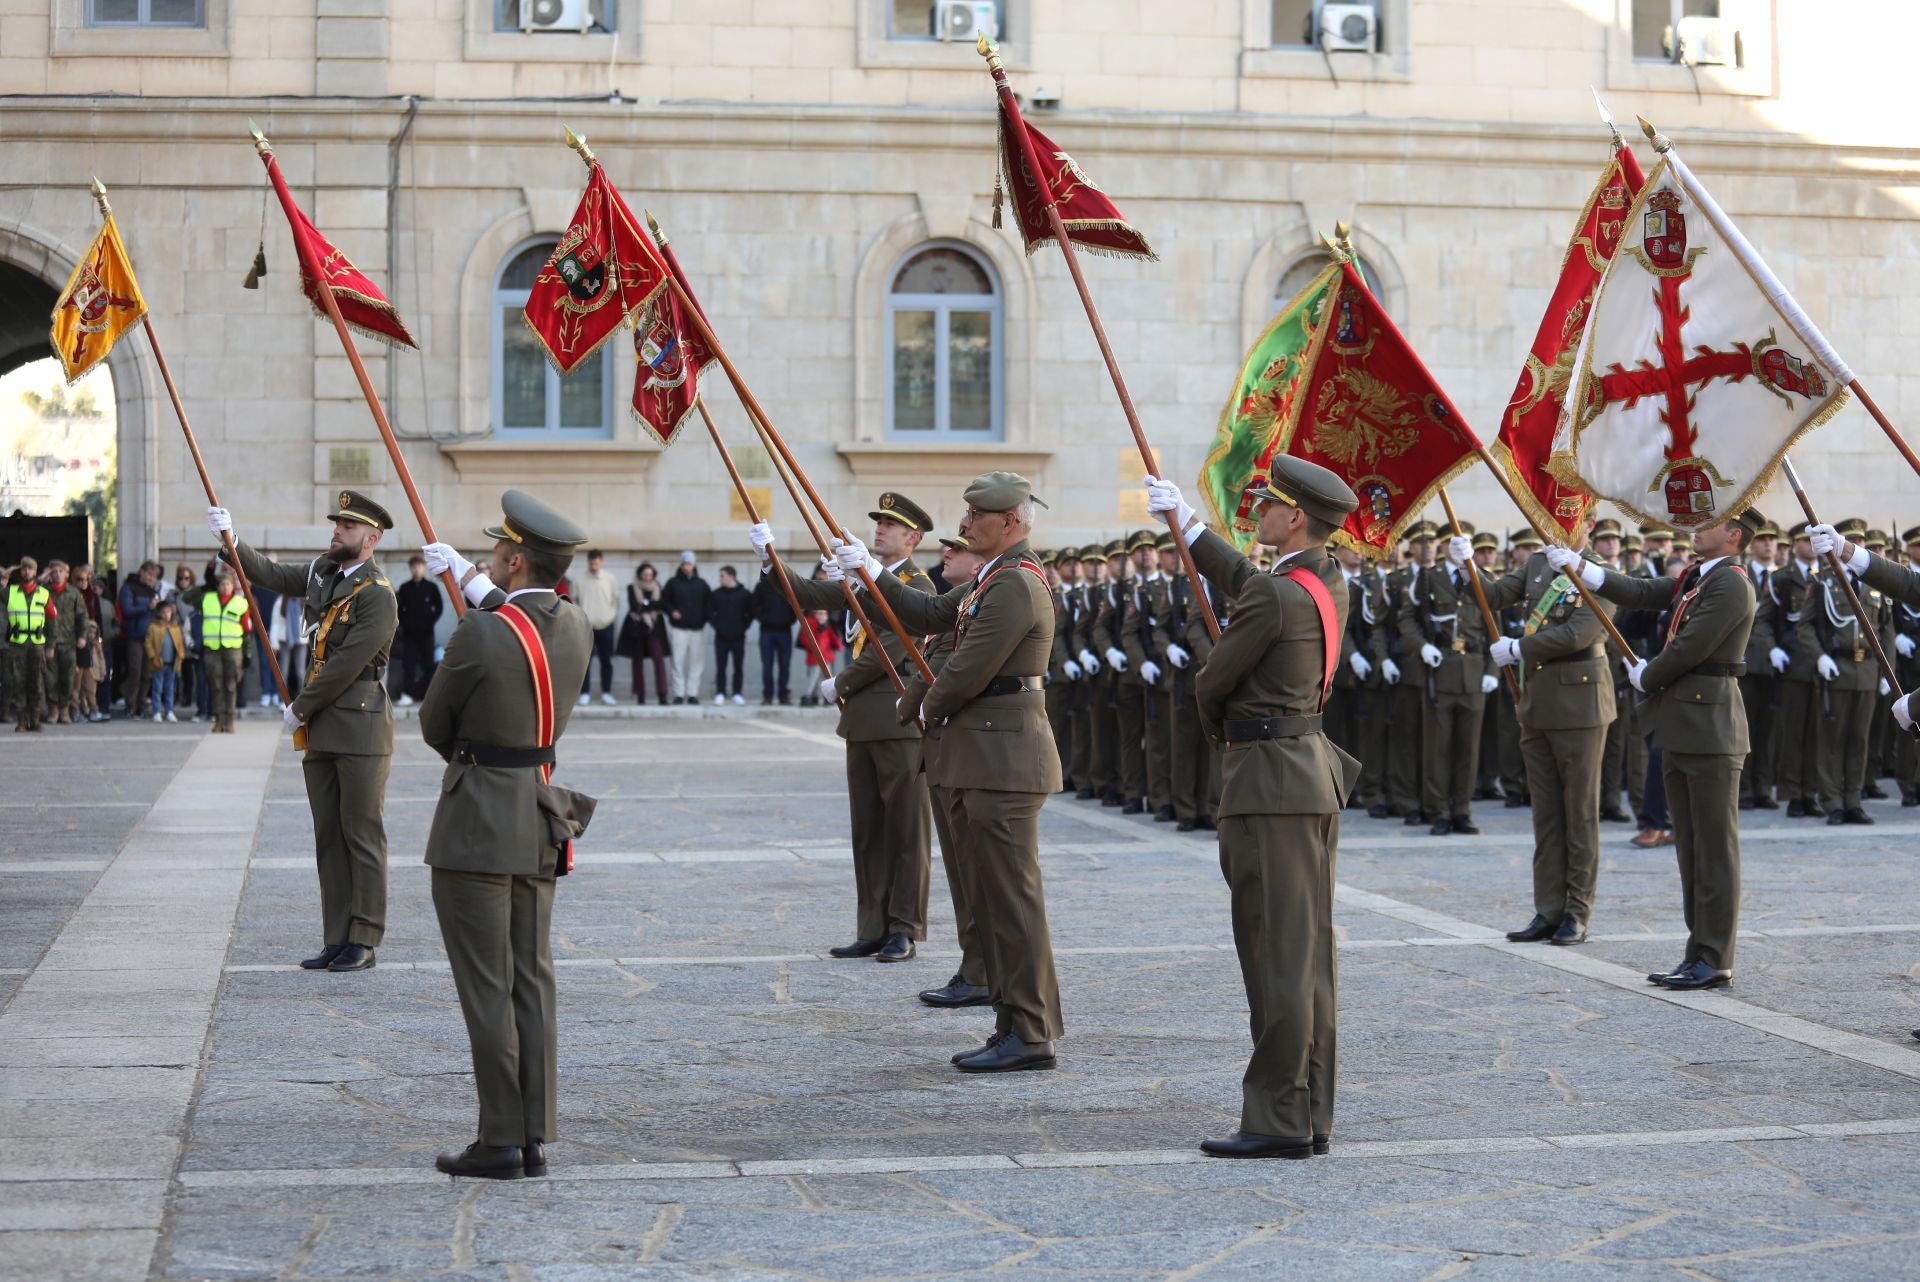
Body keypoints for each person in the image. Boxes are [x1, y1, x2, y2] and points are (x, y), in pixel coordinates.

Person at [1145, 460, 1358, 1160]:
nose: (1258, 510)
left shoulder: (1275, 595)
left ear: (1295, 518)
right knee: (1308, 958)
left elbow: (1212, 683)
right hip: (1309, 775)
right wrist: (1192, 529)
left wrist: (1218, 718)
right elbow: (1256, 586)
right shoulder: (1325, 578)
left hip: (1268, 783)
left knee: (1274, 957)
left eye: (1268, 504)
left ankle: (1276, 1117)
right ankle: (1310, 1106)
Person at [819, 472, 1062, 1072]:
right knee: (993, 897)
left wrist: (916, 706)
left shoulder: (1013, 584)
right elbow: (928, 612)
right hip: (983, 754)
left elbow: (966, 670)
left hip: (1002, 758)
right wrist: (872, 574)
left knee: (1011, 899)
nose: (962, 524)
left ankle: (1030, 1030)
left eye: (975, 515)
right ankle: (1013, 1020)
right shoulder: (990, 578)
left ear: (1010, 522)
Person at [418, 491, 593, 1181]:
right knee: (532, 979)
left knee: (487, 984)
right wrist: (483, 592)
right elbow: (526, 628)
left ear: (515, 560)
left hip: (478, 823)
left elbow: (436, 723)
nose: (491, 557)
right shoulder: (575, 624)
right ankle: (535, 1136)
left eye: (498, 551)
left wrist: (478, 599)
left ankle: (499, 1140)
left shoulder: (480, 631)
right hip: (540, 811)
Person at [1546, 508, 1763, 991]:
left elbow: (1692, 646)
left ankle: (1716, 956)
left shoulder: (1730, 583)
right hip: (1683, 722)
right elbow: (1645, 591)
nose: (1695, 527)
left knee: (1714, 848)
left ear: (1734, 534)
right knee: (1689, 847)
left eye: (1712, 522)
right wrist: (1584, 568)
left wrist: (1649, 673)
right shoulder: (1698, 576)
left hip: (1711, 726)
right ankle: (1698, 951)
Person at [210, 491, 399, 973]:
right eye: (337, 523)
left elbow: (345, 665)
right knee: (328, 837)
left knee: (361, 834)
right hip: (322, 728)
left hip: (360, 726)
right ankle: (336, 936)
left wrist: (300, 706)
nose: (337, 530)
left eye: (348, 527)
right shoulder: (322, 571)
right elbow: (272, 576)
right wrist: (233, 541)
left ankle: (364, 937)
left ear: (371, 539)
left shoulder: (378, 595)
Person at [754, 492, 936, 962]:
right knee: (869, 830)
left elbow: (895, 644)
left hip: (898, 719)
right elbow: (808, 595)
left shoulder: (918, 587)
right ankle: (872, 925)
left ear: (912, 538)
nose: (879, 529)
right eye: (877, 522)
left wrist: (842, 681)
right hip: (860, 722)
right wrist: (770, 559)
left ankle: (904, 928)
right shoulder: (862, 580)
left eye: (891, 525)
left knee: (906, 830)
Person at [1458, 518, 1616, 947]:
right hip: (1536, 701)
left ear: (1589, 526)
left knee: (1579, 812)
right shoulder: (1536, 566)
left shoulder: (1601, 572)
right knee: (1546, 814)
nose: (1560, 530)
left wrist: (1518, 648)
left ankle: (1577, 911)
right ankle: (1548, 908)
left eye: (1572, 522)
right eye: (1554, 520)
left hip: (1581, 704)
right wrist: (1467, 563)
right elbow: (1492, 596)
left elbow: (1579, 632)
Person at [899, 532, 991, 1009]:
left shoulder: (996, 593)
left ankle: (983, 970)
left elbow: (959, 671)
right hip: (944, 744)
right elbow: (926, 622)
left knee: (977, 872)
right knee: (961, 869)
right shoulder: (963, 600)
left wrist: (924, 705)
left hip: (970, 747)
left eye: (959, 547)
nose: (948, 554)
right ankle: (974, 966)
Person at [1416, 526, 1498, 834]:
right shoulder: (1428, 577)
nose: (1457, 548)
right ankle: (1438, 811)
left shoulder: (1482, 580)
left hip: (1475, 674)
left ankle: (1461, 810)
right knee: (1438, 749)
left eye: (1463, 543)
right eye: (1452, 543)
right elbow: (1408, 620)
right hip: (1441, 671)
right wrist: (1422, 646)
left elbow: (1494, 629)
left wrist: (1492, 672)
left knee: (1468, 748)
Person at [198, 565, 252, 733]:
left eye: (228, 584)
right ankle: (217, 720)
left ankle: (230, 720)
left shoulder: (241, 603)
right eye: (221, 584)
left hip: (233, 649)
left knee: (230, 685)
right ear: (217, 586)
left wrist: (247, 653)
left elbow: (247, 631)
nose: (225, 587)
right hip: (212, 649)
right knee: (216, 685)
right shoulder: (207, 599)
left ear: (232, 586)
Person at [7, 557, 53, 731]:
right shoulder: (10, 592)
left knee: (36, 683)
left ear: (35, 572)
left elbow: (52, 619)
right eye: (24, 569)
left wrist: (51, 645)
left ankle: (34, 720)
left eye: (31, 569)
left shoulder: (43, 593)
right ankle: (21, 721)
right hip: (17, 644)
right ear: (20, 571)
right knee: (18, 683)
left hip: (36, 644)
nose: (27, 572)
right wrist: (6, 572)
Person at [394, 554, 445, 707]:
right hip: (410, 635)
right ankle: (408, 694)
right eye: (414, 566)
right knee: (408, 665)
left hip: (427, 634)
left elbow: (439, 607)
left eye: (419, 566)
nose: (417, 569)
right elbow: (398, 609)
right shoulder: (405, 588)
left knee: (429, 665)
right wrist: (404, 624)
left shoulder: (431, 587)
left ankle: (429, 694)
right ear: (410, 568)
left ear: (424, 568)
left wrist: (429, 622)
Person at [571, 549, 619, 707]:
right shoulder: (579, 579)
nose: (594, 565)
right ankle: (584, 693)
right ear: (588, 562)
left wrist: (610, 616)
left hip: (606, 625)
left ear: (601, 562)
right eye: (591, 562)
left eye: (597, 562)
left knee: (607, 661)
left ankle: (606, 692)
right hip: (586, 627)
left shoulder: (610, 579)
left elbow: (616, 601)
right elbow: (574, 601)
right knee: (585, 662)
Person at [661, 551, 710, 704]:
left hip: (697, 629)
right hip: (678, 629)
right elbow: (664, 601)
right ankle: (678, 693)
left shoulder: (701, 584)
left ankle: (692, 693)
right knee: (677, 661)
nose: (686, 566)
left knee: (696, 662)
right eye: (684, 563)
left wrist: (703, 619)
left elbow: (709, 604)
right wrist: (671, 612)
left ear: (693, 565)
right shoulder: (672, 583)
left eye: (689, 563)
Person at [620, 563, 670, 705]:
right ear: (640, 574)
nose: (647, 577)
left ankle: (662, 695)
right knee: (637, 662)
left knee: (659, 659)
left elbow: (662, 604)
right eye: (644, 575)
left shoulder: (658, 587)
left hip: (655, 628)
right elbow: (634, 605)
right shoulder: (632, 587)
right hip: (638, 628)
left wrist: (647, 604)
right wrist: (651, 604)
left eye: (650, 575)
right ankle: (640, 695)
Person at [118, 561, 160, 718]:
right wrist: (147, 607)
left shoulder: (152, 591)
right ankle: (130, 705)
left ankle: (141, 705)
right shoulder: (129, 588)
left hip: (150, 638)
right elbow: (127, 610)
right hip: (135, 636)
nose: (151, 578)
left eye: (154, 576)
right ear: (141, 572)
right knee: (134, 671)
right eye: (149, 575)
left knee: (146, 673)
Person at [750, 563, 797, 706]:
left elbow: (796, 606)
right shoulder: (762, 586)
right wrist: (763, 618)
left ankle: (783, 695)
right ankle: (768, 696)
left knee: (785, 665)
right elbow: (754, 606)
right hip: (767, 631)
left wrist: (789, 620)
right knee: (767, 665)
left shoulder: (788, 586)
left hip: (785, 631)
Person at [42, 561, 83, 726]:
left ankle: (64, 709)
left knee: (68, 678)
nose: (57, 574)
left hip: (68, 642)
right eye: (54, 571)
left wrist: (82, 636)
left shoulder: (74, 593)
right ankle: (53, 709)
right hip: (49, 642)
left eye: (61, 571)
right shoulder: (43, 592)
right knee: (50, 678)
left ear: (67, 573)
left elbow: (82, 616)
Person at [707, 565, 753, 706]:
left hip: (738, 637)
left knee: (738, 666)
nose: (720, 579)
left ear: (731, 576)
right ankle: (720, 692)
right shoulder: (716, 594)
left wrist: (742, 628)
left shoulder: (744, 594)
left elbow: (750, 613)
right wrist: (718, 627)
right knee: (721, 666)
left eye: (722, 576)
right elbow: (710, 613)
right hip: (721, 637)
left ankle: (737, 693)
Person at [144, 598, 186, 723]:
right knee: (157, 688)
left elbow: (179, 644)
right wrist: (152, 657)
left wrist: (181, 655)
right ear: (158, 613)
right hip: (159, 662)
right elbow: (148, 643)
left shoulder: (175, 627)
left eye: (168, 612)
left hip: (172, 662)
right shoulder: (153, 627)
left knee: (170, 688)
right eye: (163, 612)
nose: (166, 615)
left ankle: (169, 711)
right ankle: (156, 711)